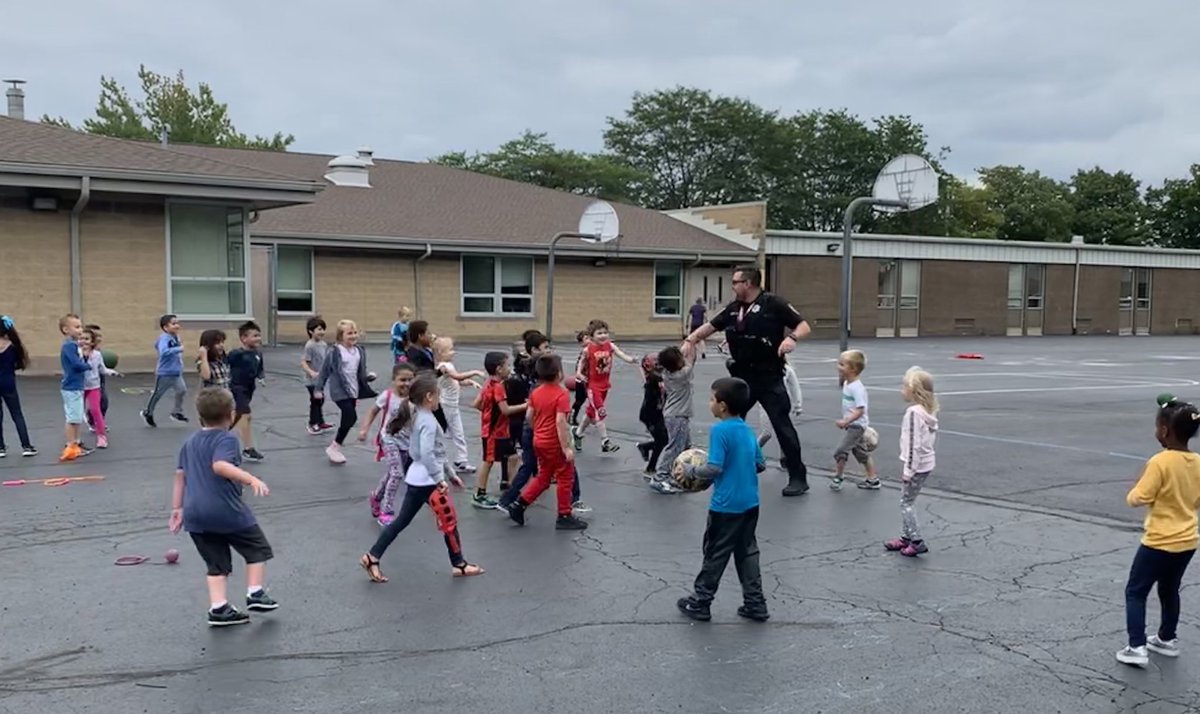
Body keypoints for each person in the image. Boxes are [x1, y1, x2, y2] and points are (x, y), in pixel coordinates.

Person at [682, 265, 811, 497]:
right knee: (731, 423)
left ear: (748, 284)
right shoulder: (733, 309)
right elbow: (711, 327)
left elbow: (804, 325)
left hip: (769, 377)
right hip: (742, 379)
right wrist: (690, 340)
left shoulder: (774, 304)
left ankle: (798, 477)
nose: (732, 286)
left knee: (782, 427)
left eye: (735, 282)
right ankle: (730, 465)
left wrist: (792, 338)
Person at [360, 373, 484, 583]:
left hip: (419, 478)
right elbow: (427, 453)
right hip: (427, 481)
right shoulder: (427, 420)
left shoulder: (420, 416)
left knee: (404, 521)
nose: (440, 400)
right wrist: (440, 478)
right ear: (429, 397)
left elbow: (434, 452)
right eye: (438, 396)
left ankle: (372, 557)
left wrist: (450, 474)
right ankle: (459, 564)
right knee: (449, 521)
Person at [168, 387, 277, 627]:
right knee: (257, 548)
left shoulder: (189, 443)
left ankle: (219, 608)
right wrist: (250, 478)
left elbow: (180, 477)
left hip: (195, 515)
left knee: (216, 564)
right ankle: (255, 592)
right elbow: (220, 465)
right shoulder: (227, 438)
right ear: (231, 415)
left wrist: (177, 509)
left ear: (199, 417)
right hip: (225, 509)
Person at [1115, 396, 1200, 667]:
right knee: (1169, 589)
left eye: (1157, 426)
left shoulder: (1160, 462)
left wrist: (1136, 488)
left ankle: (1136, 646)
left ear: (1164, 431)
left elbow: (1137, 497)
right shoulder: (1197, 462)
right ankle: (1166, 638)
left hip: (1159, 541)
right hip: (1187, 540)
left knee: (1136, 591)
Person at [676, 377, 769, 623]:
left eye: (711, 399)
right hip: (750, 503)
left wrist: (690, 471)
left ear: (723, 405)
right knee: (747, 553)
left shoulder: (719, 431)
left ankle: (701, 601)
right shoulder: (745, 429)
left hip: (726, 506)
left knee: (715, 553)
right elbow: (760, 464)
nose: (709, 403)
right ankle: (755, 603)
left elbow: (714, 468)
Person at [506, 354, 588, 530]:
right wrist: (566, 448)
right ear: (559, 373)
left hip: (539, 441)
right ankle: (564, 514)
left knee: (543, 476)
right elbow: (561, 422)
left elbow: (529, 416)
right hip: (554, 442)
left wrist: (539, 430)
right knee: (566, 476)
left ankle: (519, 504)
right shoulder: (561, 394)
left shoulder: (536, 392)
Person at [884, 367, 939, 557]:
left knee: (906, 503)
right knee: (907, 499)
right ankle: (905, 537)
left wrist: (908, 470)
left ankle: (916, 540)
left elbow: (913, 444)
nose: (901, 389)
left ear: (914, 390)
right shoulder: (927, 411)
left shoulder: (914, 413)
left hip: (917, 466)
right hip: (924, 463)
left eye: (904, 385)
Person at [360, 363, 416, 525]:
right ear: (394, 380)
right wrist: (364, 430)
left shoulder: (415, 398)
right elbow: (372, 411)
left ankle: (376, 496)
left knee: (392, 473)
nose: (406, 383)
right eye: (402, 380)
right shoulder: (388, 396)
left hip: (406, 441)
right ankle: (387, 510)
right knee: (397, 473)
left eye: (410, 380)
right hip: (389, 439)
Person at [314, 319, 376, 465]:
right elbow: (324, 372)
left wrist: (367, 378)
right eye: (349, 333)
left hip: (353, 390)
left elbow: (359, 371)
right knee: (351, 416)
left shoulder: (359, 351)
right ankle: (334, 447)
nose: (353, 336)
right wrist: (318, 389)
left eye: (355, 333)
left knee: (349, 418)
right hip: (340, 390)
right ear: (341, 336)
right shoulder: (335, 352)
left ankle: (335, 447)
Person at [572, 320, 636, 454]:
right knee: (599, 412)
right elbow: (581, 363)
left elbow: (621, 354)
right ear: (591, 336)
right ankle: (605, 441)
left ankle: (577, 433)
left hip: (605, 385)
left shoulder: (610, 346)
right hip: (593, 387)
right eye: (599, 333)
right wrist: (578, 373)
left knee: (590, 413)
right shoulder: (588, 349)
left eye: (605, 333)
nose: (603, 336)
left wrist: (631, 359)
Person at [471, 352, 517, 509]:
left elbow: (477, 403)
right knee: (488, 461)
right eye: (507, 365)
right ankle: (479, 493)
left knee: (513, 457)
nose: (509, 368)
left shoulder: (488, 383)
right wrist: (527, 405)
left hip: (497, 431)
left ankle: (511, 489)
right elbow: (505, 410)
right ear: (499, 369)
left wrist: (487, 413)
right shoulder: (498, 387)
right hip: (493, 433)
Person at [434, 336, 484, 473]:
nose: (453, 352)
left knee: (457, 433)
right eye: (450, 350)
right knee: (446, 432)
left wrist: (470, 382)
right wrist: (474, 373)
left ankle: (462, 459)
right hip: (447, 405)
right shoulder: (443, 366)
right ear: (440, 353)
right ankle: (438, 457)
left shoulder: (449, 366)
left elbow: (457, 381)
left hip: (452, 405)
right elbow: (457, 377)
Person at [831, 349, 880, 491]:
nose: (838, 367)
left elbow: (860, 409)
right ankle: (873, 479)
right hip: (852, 425)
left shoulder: (857, 388)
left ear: (853, 369)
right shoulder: (847, 384)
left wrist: (846, 421)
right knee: (861, 453)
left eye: (842, 364)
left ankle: (838, 477)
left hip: (856, 426)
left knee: (841, 451)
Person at [650, 346, 696, 494]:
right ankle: (660, 477)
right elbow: (692, 359)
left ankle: (674, 475)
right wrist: (692, 341)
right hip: (678, 416)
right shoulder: (682, 375)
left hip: (674, 415)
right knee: (675, 447)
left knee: (686, 446)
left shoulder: (666, 373)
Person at [227, 321, 266, 462]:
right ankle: (248, 448)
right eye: (254, 336)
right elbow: (224, 362)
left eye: (259, 335)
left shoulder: (257, 353)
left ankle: (217, 433)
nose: (258, 338)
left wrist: (261, 378)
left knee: (237, 416)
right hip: (237, 388)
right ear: (244, 338)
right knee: (246, 416)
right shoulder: (237, 354)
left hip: (249, 388)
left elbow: (260, 368)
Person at [141, 313, 187, 428]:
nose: (177, 326)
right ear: (165, 327)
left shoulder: (176, 337)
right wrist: (178, 349)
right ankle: (148, 412)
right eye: (173, 324)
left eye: (177, 323)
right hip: (165, 373)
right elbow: (164, 351)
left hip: (176, 372)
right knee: (158, 394)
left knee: (181, 390)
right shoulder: (164, 338)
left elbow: (156, 345)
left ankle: (177, 412)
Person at [57, 313, 93, 461]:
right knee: (72, 418)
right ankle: (70, 445)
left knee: (77, 417)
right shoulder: (68, 346)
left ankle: (76, 442)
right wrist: (88, 365)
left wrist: (84, 355)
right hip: (71, 387)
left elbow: (79, 360)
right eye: (76, 327)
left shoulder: (75, 345)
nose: (80, 330)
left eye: (80, 326)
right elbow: (76, 364)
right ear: (66, 330)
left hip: (77, 385)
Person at [0, 315, 36, 457]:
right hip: (8, 381)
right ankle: (26, 445)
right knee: (16, 414)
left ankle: (1, 447)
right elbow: (17, 363)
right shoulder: (12, 346)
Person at [80, 328, 120, 449]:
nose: (84, 341)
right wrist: (83, 357)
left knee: (95, 410)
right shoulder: (76, 353)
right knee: (75, 414)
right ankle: (74, 439)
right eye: (81, 338)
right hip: (79, 387)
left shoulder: (97, 355)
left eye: (87, 339)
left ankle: (101, 437)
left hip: (93, 386)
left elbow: (101, 369)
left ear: (92, 342)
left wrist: (111, 372)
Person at [301, 317, 333, 435]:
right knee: (316, 400)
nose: (322, 332)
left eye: (323, 329)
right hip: (312, 381)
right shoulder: (310, 346)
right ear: (311, 331)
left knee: (320, 400)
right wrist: (311, 372)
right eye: (319, 329)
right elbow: (304, 362)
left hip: (321, 379)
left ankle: (320, 422)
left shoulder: (323, 344)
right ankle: (312, 423)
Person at [636, 353, 667, 479]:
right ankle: (650, 468)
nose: (658, 363)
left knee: (664, 440)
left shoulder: (659, 376)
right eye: (655, 361)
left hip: (657, 414)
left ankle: (645, 447)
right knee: (662, 440)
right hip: (650, 415)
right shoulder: (654, 377)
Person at [83, 324, 110, 430]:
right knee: (94, 403)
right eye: (96, 336)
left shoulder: (98, 352)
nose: (99, 338)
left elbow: (102, 367)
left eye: (100, 336)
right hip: (85, 381)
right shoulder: (83, 350)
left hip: (99, 378)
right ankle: (92, 421)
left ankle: (99, 422)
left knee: (104, 401)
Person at [569, 330, 590, 426]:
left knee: (592, 400)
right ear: (581, 343)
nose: (589, 340)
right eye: (586, 338)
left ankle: (592, 417)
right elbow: (578, 367)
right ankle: (572, 417)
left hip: (589, 380)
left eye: (590, 337)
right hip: (581, 381)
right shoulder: (584, 353)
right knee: (579, 400)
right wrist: (580, 376)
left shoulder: (593, 351)